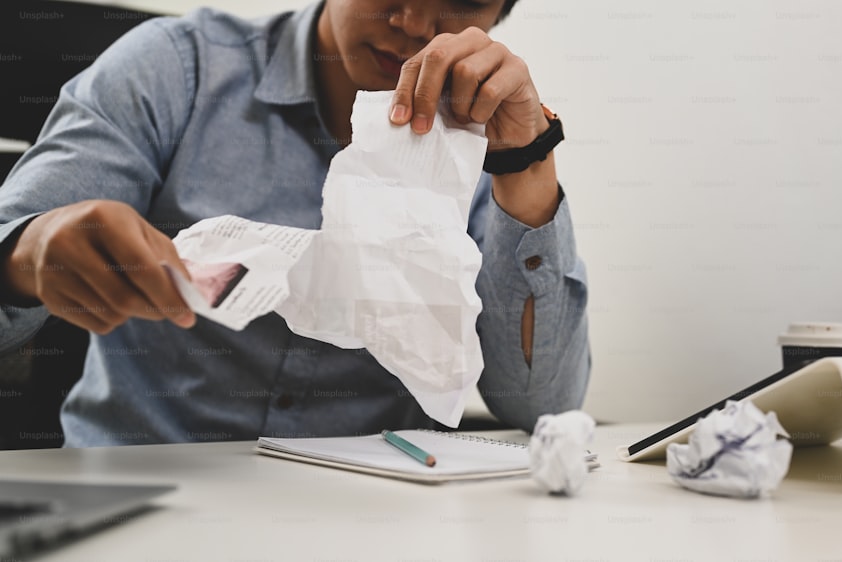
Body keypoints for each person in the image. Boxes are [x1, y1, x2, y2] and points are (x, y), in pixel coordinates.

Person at [0, 0, 589, 446]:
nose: (412, 20)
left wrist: (526, 160)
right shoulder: (177, 69)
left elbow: (540, 406)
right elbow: (19, 237)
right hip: (146, 493)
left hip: (370, 514)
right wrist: (27, 256)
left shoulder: (479, 147)